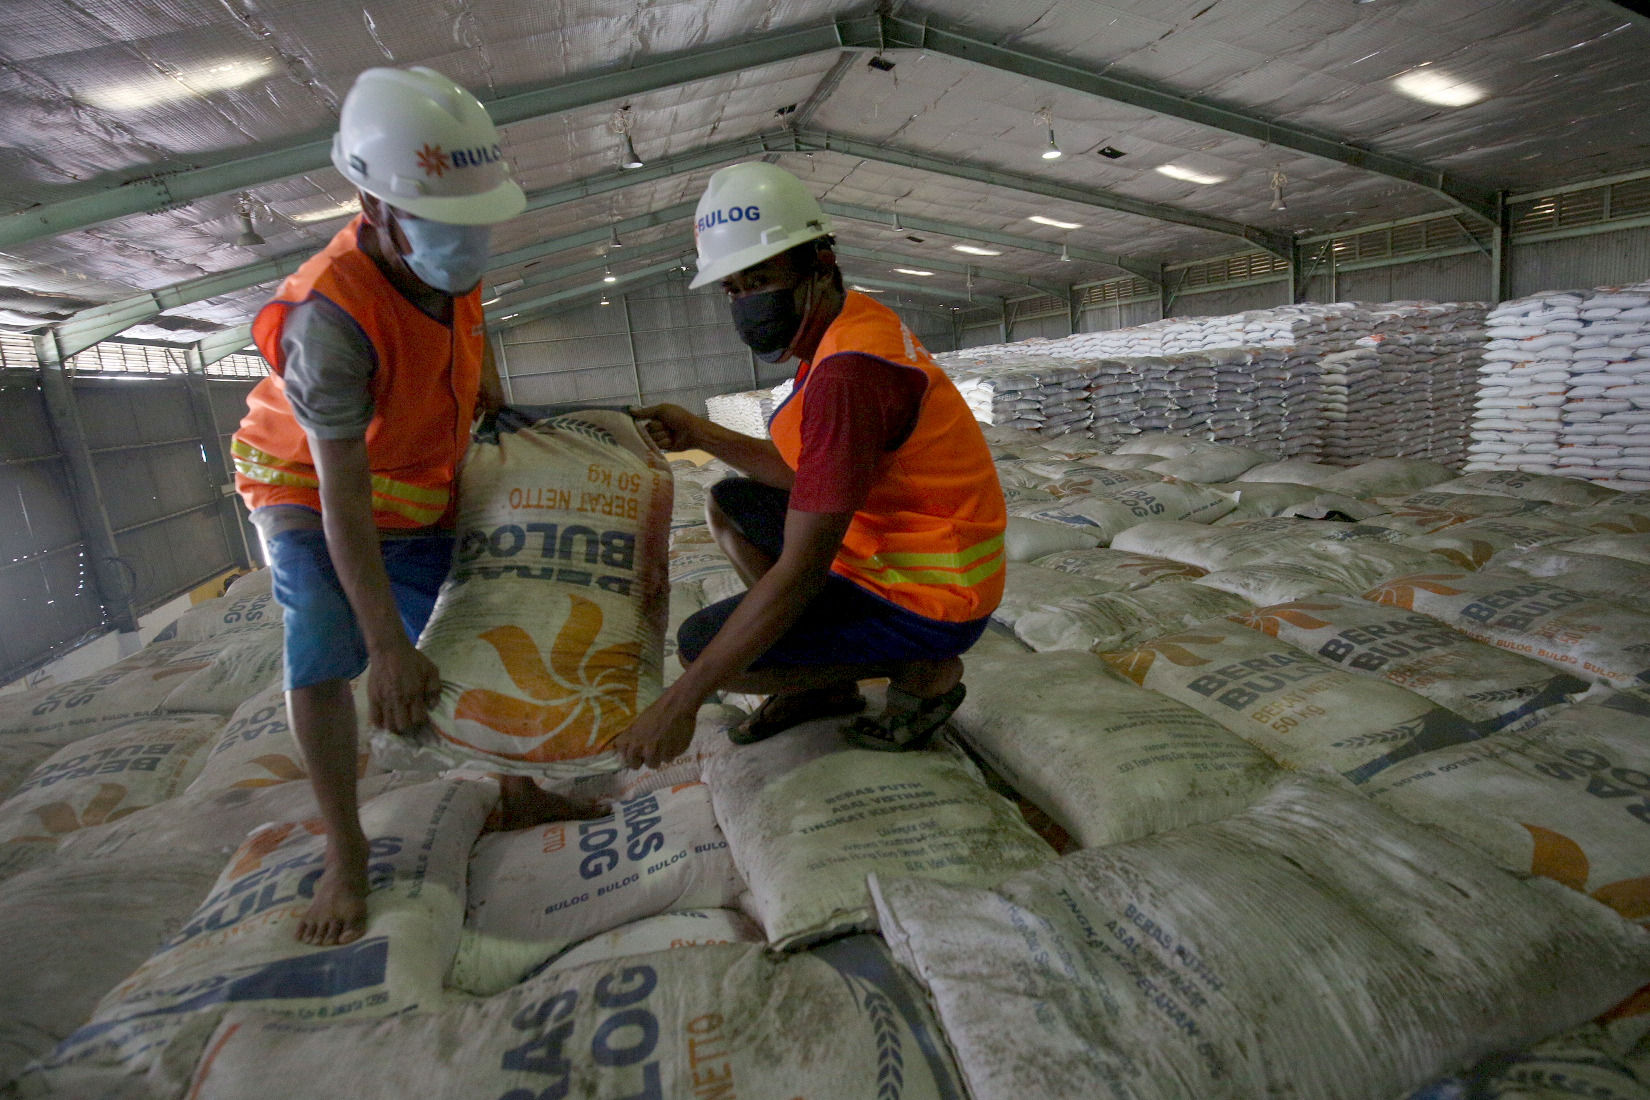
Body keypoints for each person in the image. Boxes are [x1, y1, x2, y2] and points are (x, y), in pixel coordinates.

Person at [232, 66, 582, 947]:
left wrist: (493, 400)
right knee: (323, 637)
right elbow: (343, 497)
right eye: (443, 217)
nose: (467, 239)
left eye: (477, 218)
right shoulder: (331, 317)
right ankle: (346, 857)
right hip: (308, 491)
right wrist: (385, 649)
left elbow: (466, 335)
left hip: (413, 482)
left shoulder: (445, 255)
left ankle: (515, 790)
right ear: (371, 202)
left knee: (475, 623)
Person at [612, 162, 1007, 771]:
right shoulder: (844, 327)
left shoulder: (849, 372)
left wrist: (682, 702)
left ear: (819, 260)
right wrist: (696, 431)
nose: (747, 303)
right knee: (730, 502)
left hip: (932, 595)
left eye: (761, 278)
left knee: (703, 649)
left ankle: (922, 669)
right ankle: (824, 682)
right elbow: (808, 477)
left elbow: (799, 571)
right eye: (733, 289)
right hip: (887, 548)